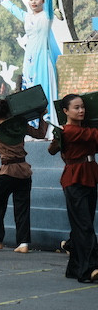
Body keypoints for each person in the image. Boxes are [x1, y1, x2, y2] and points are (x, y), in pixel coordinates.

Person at [0, 0, 60, 120]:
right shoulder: (26, 17)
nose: (33, 1)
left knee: (43, 88)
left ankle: (48, 123)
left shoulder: (47, 16)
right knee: (30, 90)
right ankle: (32, 125)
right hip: (29, 59)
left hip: (43, 58)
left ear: (42, 1)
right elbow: (12, 8)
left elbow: (50, 2)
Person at [0, 100, 48, 253]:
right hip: (24, 171)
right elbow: (40, 134)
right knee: (22, 207)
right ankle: (23, 243)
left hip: (7, 171)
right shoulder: (20, 125)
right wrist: (41, 117)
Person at [52, 94, 98, 282]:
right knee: (84, 225)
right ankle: (90, 269)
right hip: (75, 179)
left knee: (81, 225)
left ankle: (74, 267)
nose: (81, 110)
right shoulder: (68, 130)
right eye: (76, 107)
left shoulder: (81, 130)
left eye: (83, 107)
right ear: (65, 111)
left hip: (89, 176)